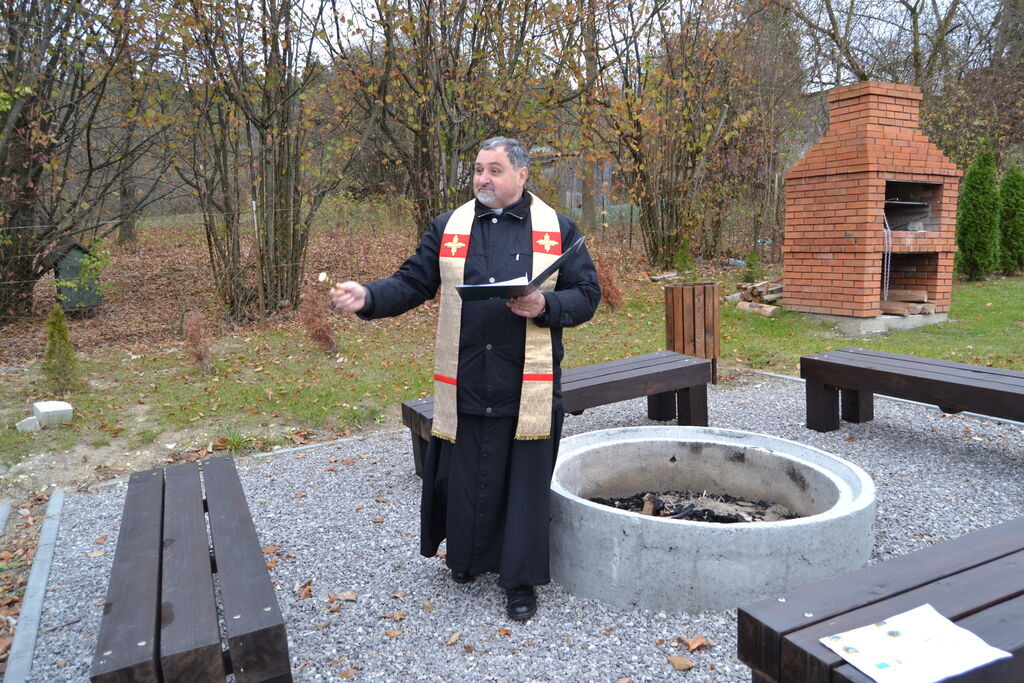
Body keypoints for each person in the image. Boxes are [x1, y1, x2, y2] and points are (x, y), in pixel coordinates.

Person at [331, 136, 600, 621]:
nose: (483, 179)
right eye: (478, 169)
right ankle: (468, 559)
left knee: (523, 482)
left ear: (522, 175)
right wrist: (368, 297)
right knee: (469, 473)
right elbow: (412, 282)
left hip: (527, 381)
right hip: (469, 375)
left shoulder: (557, 228)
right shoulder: (448, 226)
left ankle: (519, 581)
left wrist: (546, 305)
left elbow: (587, 295)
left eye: (494, 170)